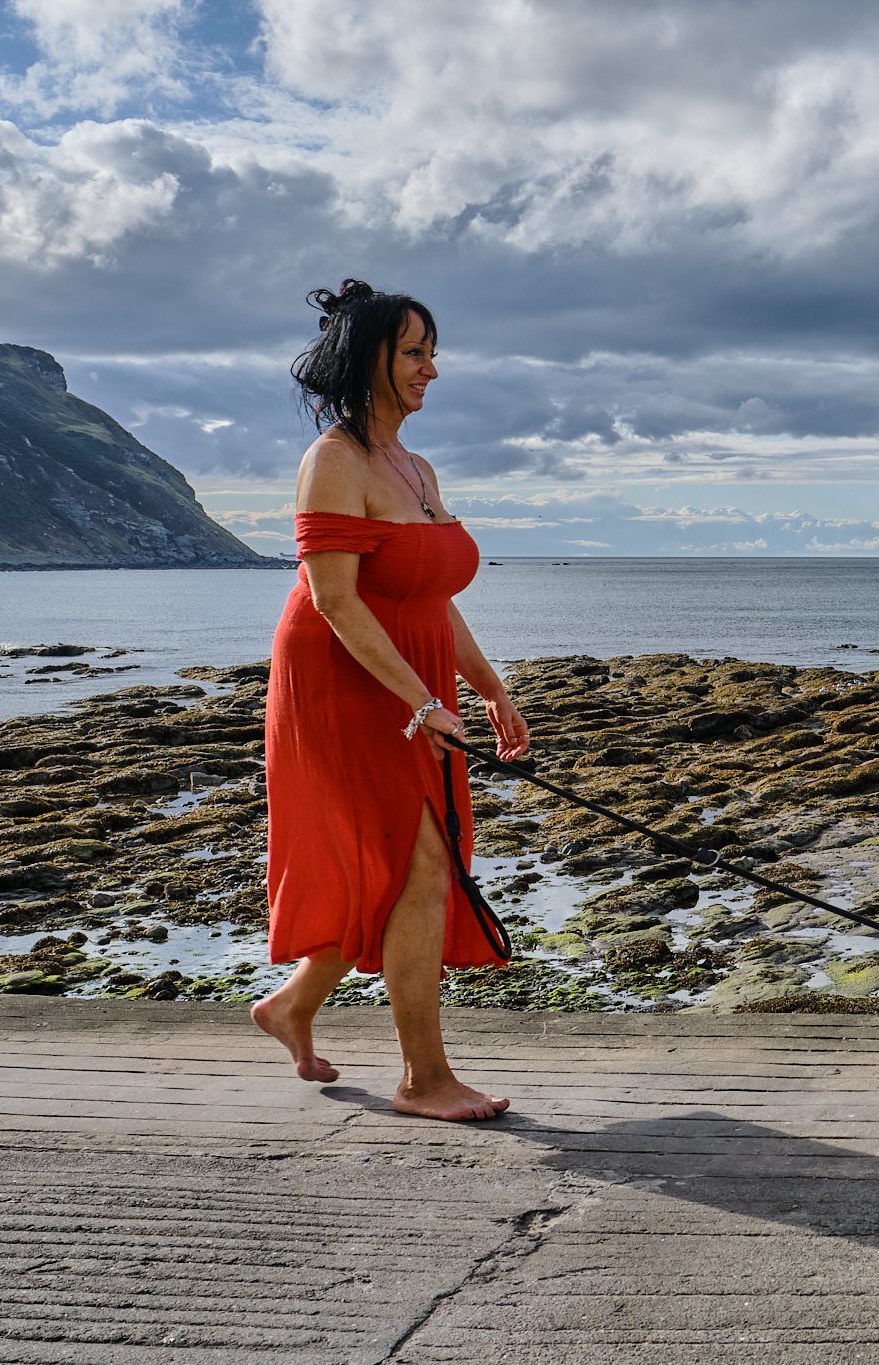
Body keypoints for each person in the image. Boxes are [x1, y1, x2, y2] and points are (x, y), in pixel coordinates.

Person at [251, 279, 530, 1121]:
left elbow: (429, 596)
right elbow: (335, 600)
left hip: (411, 676)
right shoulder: (333, 460)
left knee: (404, 861)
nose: (430, 369)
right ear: (366, 358)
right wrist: (419, 702)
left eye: (432, 352)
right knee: (422, 861)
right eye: (414, 352)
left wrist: (489, 688)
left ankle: (292, 1005)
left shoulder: (416, 467)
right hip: (344, 677)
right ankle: (423, 1078)